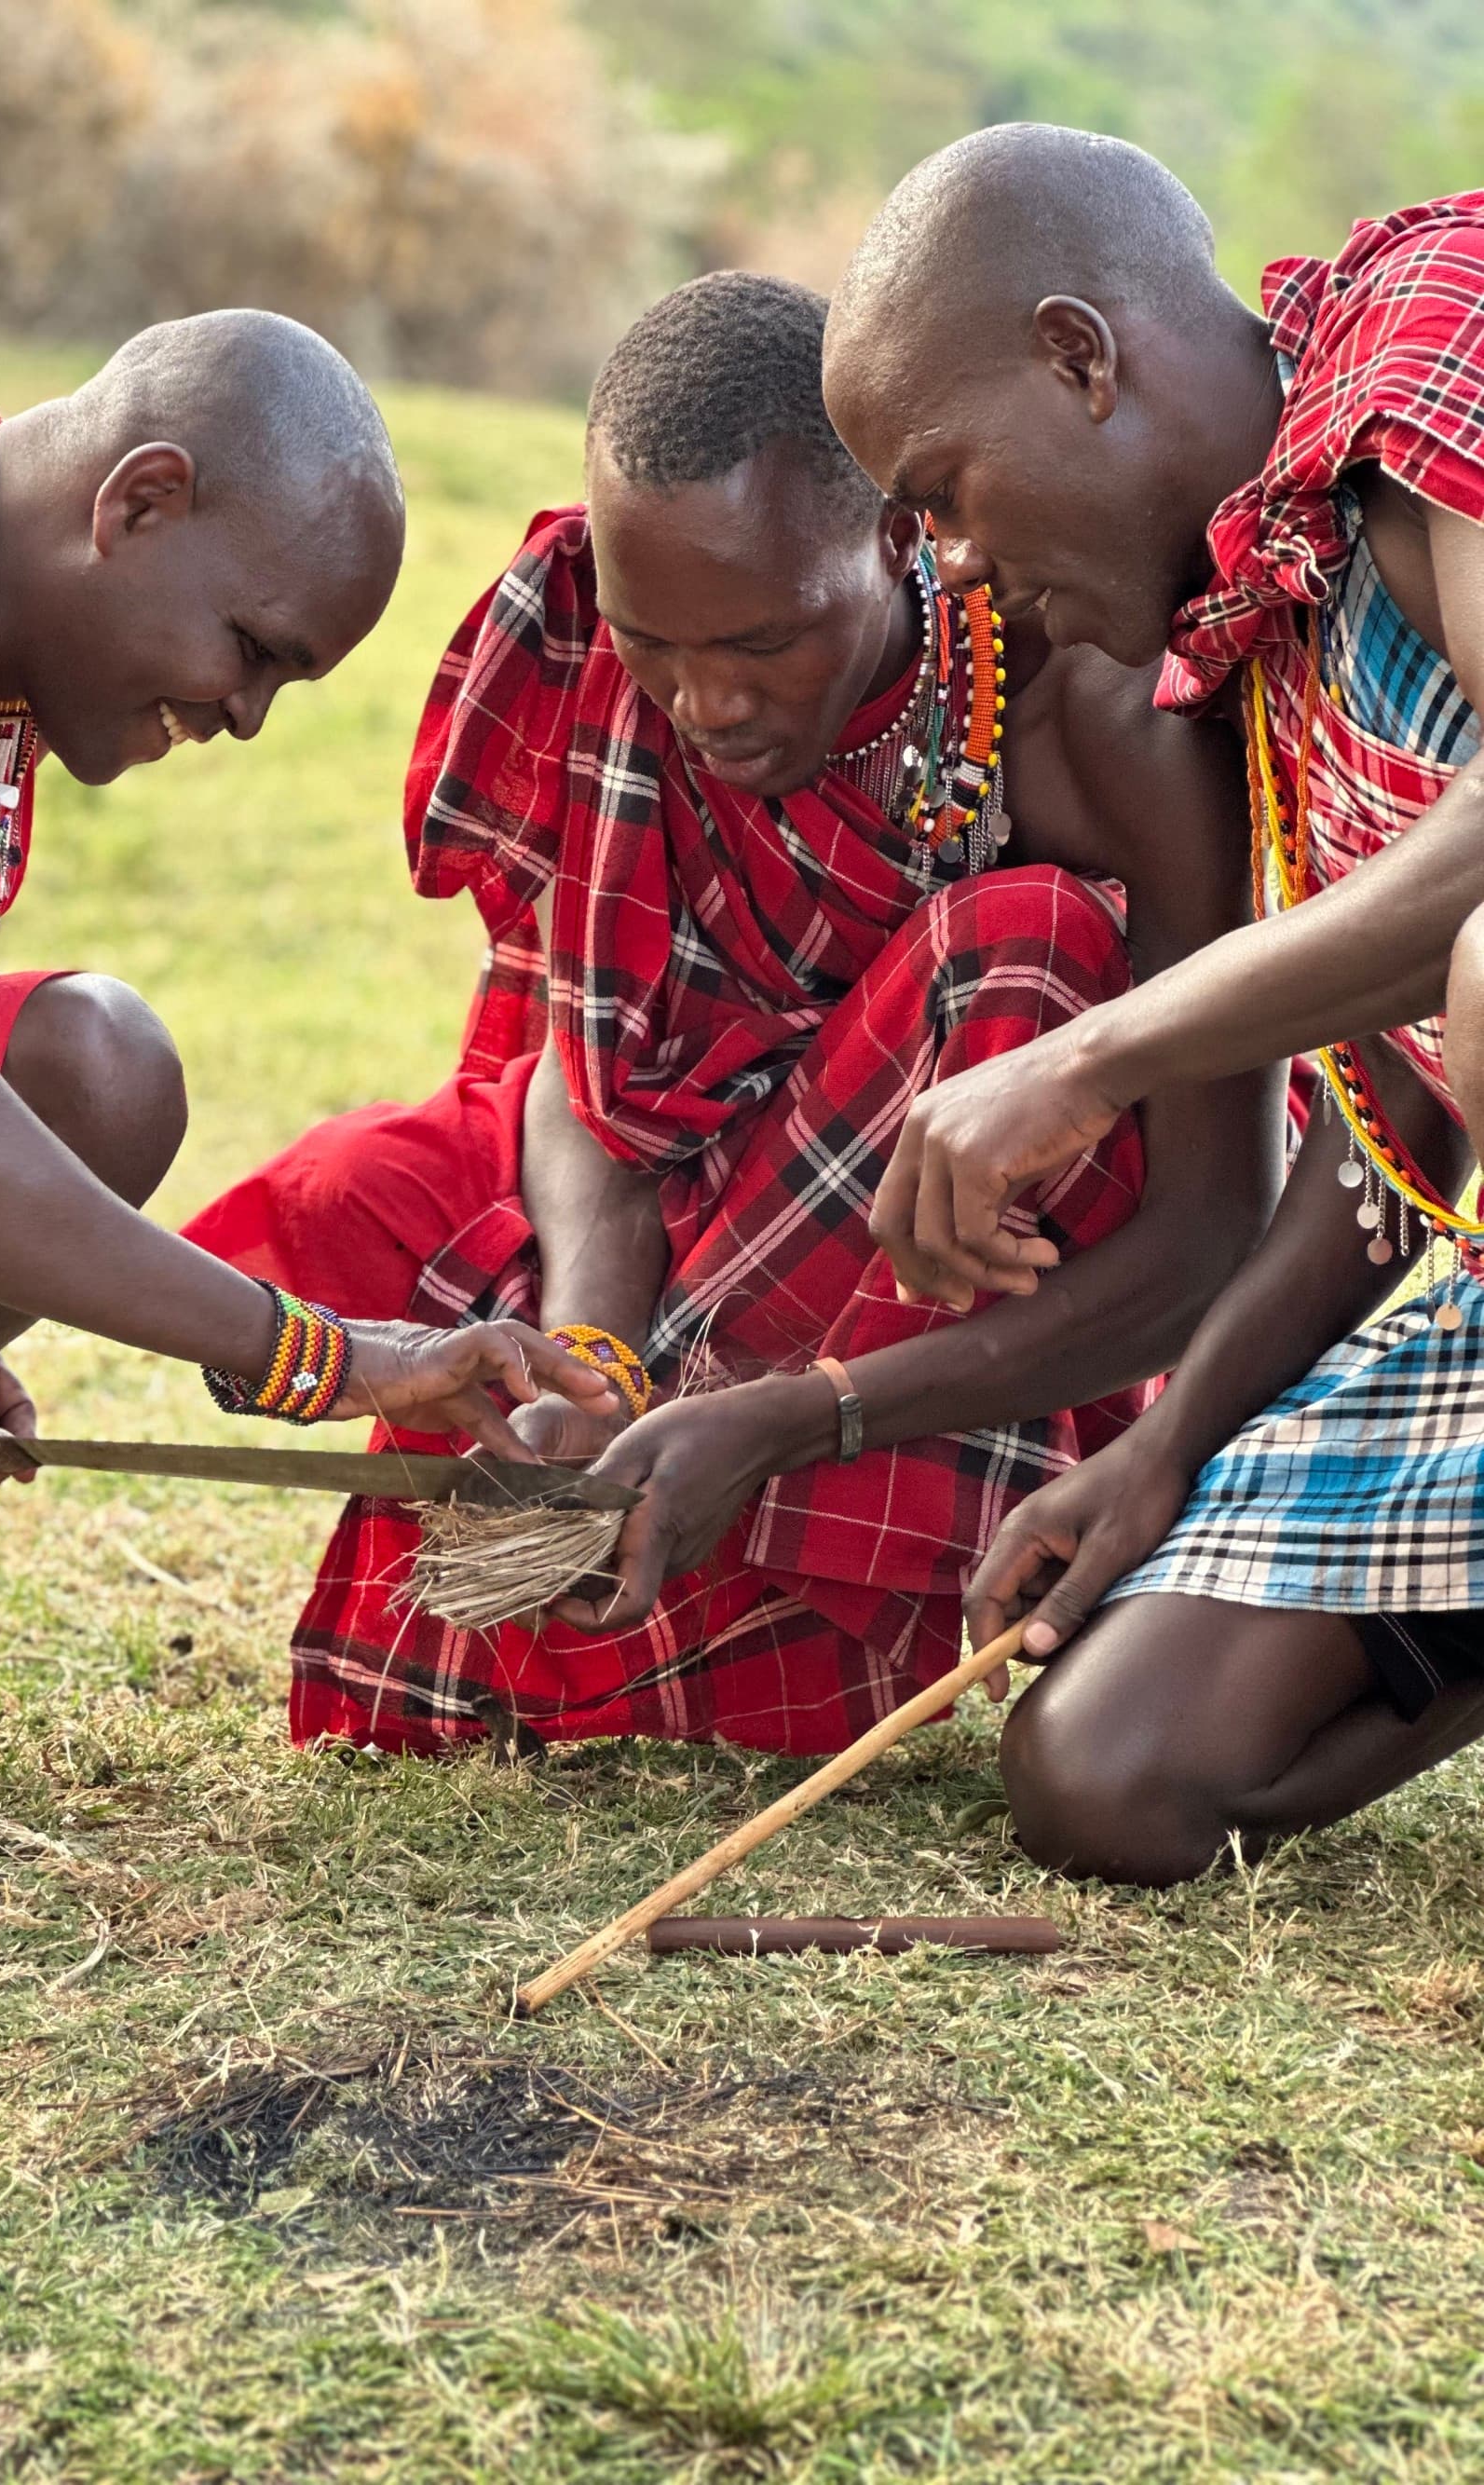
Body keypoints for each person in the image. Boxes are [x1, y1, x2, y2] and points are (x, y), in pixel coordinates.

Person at [185, 272, 1280, 1759]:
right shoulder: (592, 638)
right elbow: (581, 1066)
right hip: (645, 1242)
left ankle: (761, 1585)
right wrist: (594, 1361)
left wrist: (794, 1416)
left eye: (763, 646)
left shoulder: (1096, 706)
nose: (703, 703)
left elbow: (1215, 1223)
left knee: (1021, 948)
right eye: (659, 644)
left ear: (905, 534)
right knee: (359, 1206)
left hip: (917, 1331)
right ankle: (629, 1548)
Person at [0, 311, 616, 1816]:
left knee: (95, 1069)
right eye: (252, 650)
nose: (243, 718)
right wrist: (326, 1351)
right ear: (138, 502)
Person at [824, 130, 1484, 1882]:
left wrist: (1094, 1055)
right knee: (1107, 1775)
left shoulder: (1441, 341)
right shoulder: (1270, 629)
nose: (950, 564)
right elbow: (1406, 1124)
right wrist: (1171, 1447)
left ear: (1078, 357)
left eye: (945, 488)